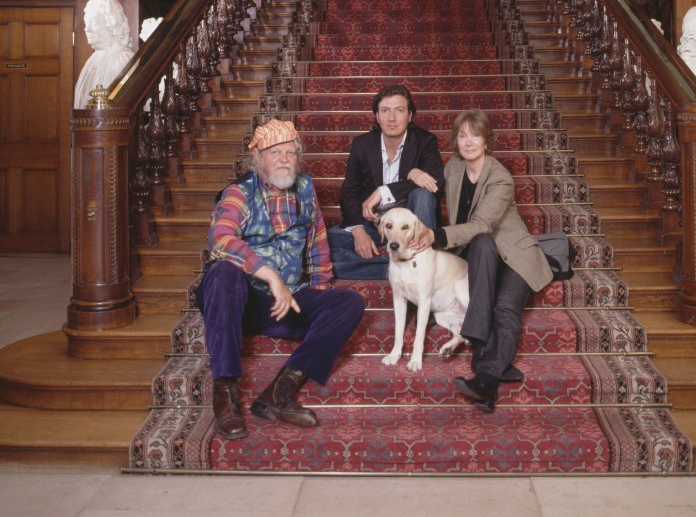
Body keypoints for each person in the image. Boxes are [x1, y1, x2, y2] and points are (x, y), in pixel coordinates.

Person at [195, 119, 365, 438]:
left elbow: (316, 238)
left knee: (349, 302)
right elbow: (219, 238)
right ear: (258, 157)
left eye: (290, 152)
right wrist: (269, 274)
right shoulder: (239, 192)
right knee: (222, 273)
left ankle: (280, 390)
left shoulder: (304, 188)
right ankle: (226, 393)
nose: (285, 159)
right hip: (239, 302)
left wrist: (320, 288)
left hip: (285, 301)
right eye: (276, 152)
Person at [411, 110, 553, 413]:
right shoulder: (454, 168)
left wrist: (435, 236)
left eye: (475, 135)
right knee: (482, 249)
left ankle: (484, 377)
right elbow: (431, 183)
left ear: (486, 141)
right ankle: (492, 377)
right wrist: (412, 173)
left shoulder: (500, 178)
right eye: (462, 135)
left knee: (503, 307)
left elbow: (481, 225)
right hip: (481, 257)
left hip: (514, 257)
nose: (468, 141)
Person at [327, 84, 444, 280]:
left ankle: (421, 259)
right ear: (377, 116)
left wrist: (384, 191)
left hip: (411, 230)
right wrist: (358, 230)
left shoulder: (425, 141)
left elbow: (436, 182)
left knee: (423, 194)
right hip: (378, 226)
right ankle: (394, 268)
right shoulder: (362, 145)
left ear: (410, 116)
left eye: (399, 110)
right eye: (385, 111)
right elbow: (349, 192)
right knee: (328, 239)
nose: (392, 118)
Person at [73, 0, 135, 108]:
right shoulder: (93, 58)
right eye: (87, 24)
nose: (87, 29)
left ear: (112, 26)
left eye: (94, 23)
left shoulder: (122, 59)